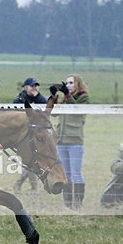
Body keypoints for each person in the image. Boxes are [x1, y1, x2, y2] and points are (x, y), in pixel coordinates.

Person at [50, 74, 89, 208]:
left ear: (78, 84)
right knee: (65, 174)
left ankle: (78, 204)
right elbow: (54, 113)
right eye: (66, 83)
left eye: (71, 83)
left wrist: (67, 95)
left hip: (75, 141)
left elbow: (76, 111)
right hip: (61, 140)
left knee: (76, 174)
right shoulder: (66, 99)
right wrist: (54, 97)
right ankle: (67, 204)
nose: (68, 86)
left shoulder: (83, 97)